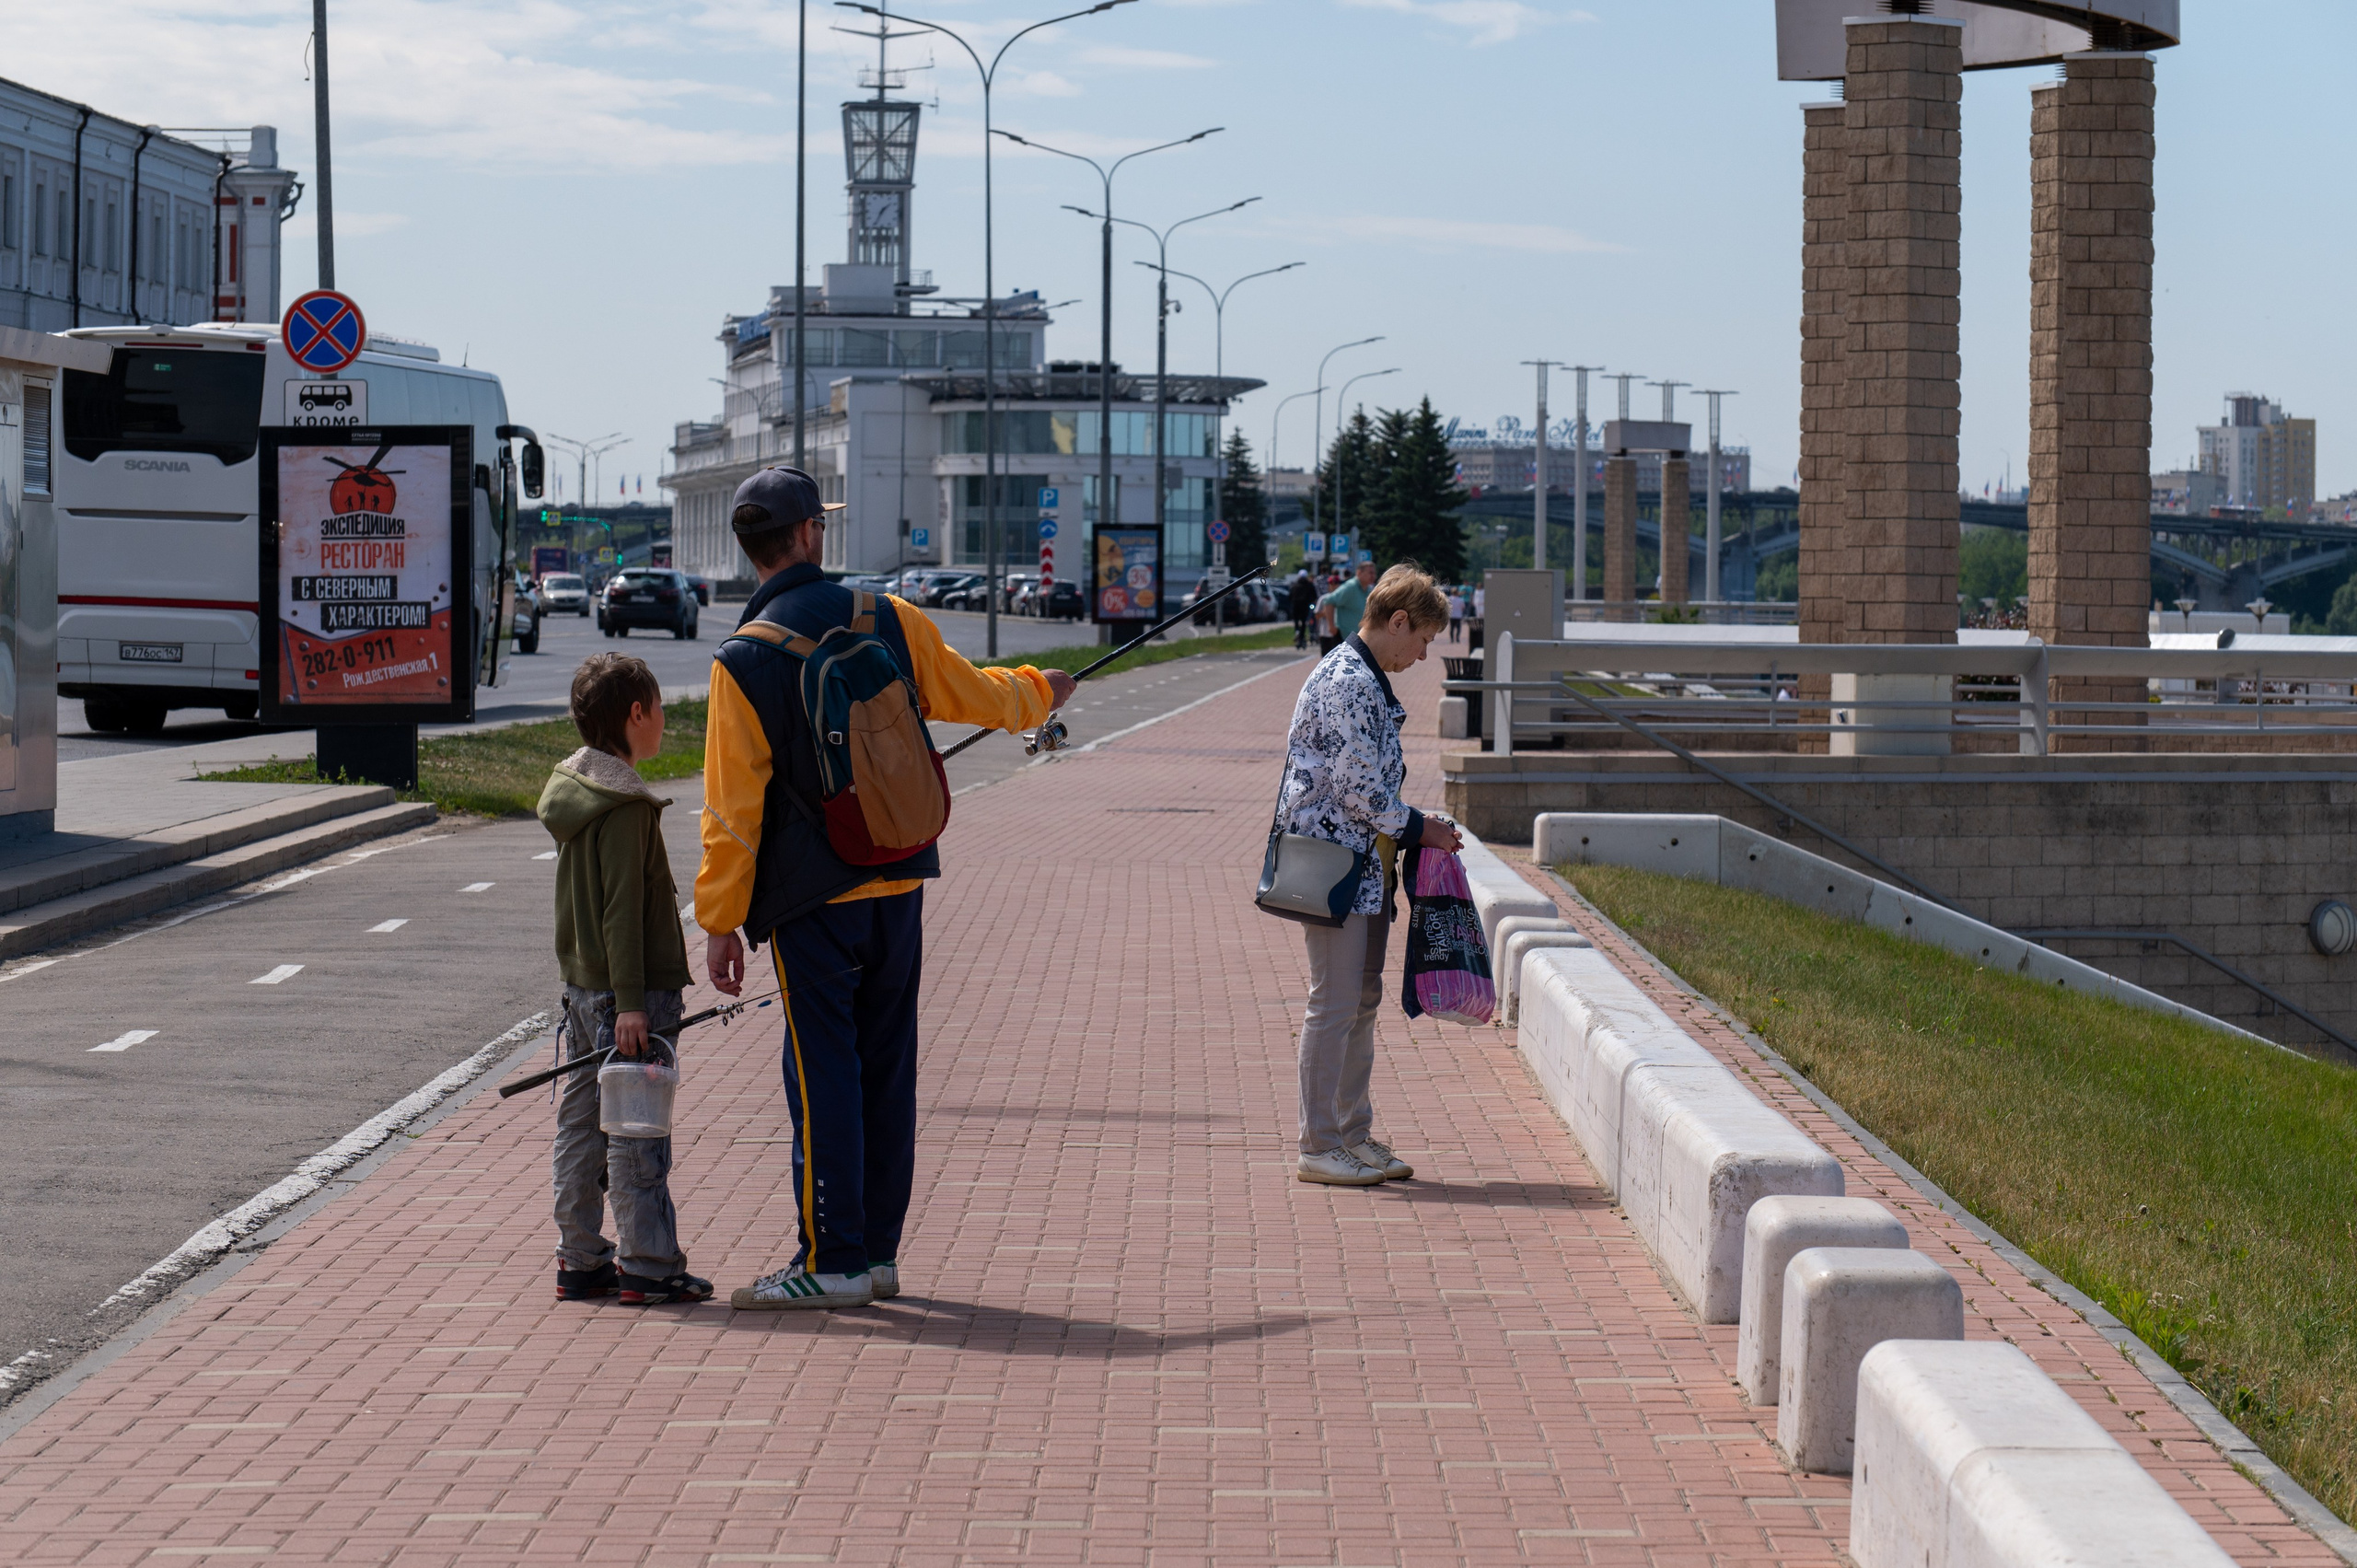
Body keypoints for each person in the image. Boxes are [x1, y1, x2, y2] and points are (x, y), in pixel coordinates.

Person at [699, 466, 1077, 1310]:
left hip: (811, 899)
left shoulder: (742, 660)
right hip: (900, 872)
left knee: (821, 1072)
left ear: (750, 547)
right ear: (806, 535)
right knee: (886, 1066)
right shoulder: (886, 617)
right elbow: (973, 693)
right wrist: (1042, 693)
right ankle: (874, 1253)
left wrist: (721, 921)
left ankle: (830, 1259)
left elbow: (731, 813)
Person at [1276, 563, 1462, 1186]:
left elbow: (1369, 784)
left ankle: (1351, 1133)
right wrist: (1421, 827)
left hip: (1360, 866)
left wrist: (1411, 823)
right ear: (1398, 621)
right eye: (1424, 638)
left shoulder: (1364, 677)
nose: (1425, 652)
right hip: (1335, 861)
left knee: (1360, 1000)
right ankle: (1319, 1143)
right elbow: (1360, 789)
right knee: (1333, 1004)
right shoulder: (1349, 680)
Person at [537, 652, 712, 1307]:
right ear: (636, 715)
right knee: (637, 1130)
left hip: (581, 992)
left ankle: (579, 1256)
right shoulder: (626, 804)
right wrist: (634, 1005)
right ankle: (648, 1262)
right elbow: (623, 914)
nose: (664, 719)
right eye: (660, 707)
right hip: (627, 999)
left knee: (581, 1123)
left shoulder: (575, 791)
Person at [1318, 560, 1380, 649]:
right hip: (1344, 637)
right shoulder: (1350, 587)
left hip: (1359, 638)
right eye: (1370, 573)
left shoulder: (1369, 589)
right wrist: (1331, 626)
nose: (1373, 576)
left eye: (1374, 573)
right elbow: (1329, 601)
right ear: (1359, 573)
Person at [1288, 568, 1316, 650]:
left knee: (1296, 620)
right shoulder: (1309, 585)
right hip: (1305, 606)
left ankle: (1297, 631)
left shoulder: (1294, 584)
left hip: (1296, 605)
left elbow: (1290, 596)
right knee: (1304, 622)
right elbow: (1314, 595)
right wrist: (1311, 601)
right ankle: (1302, 637)